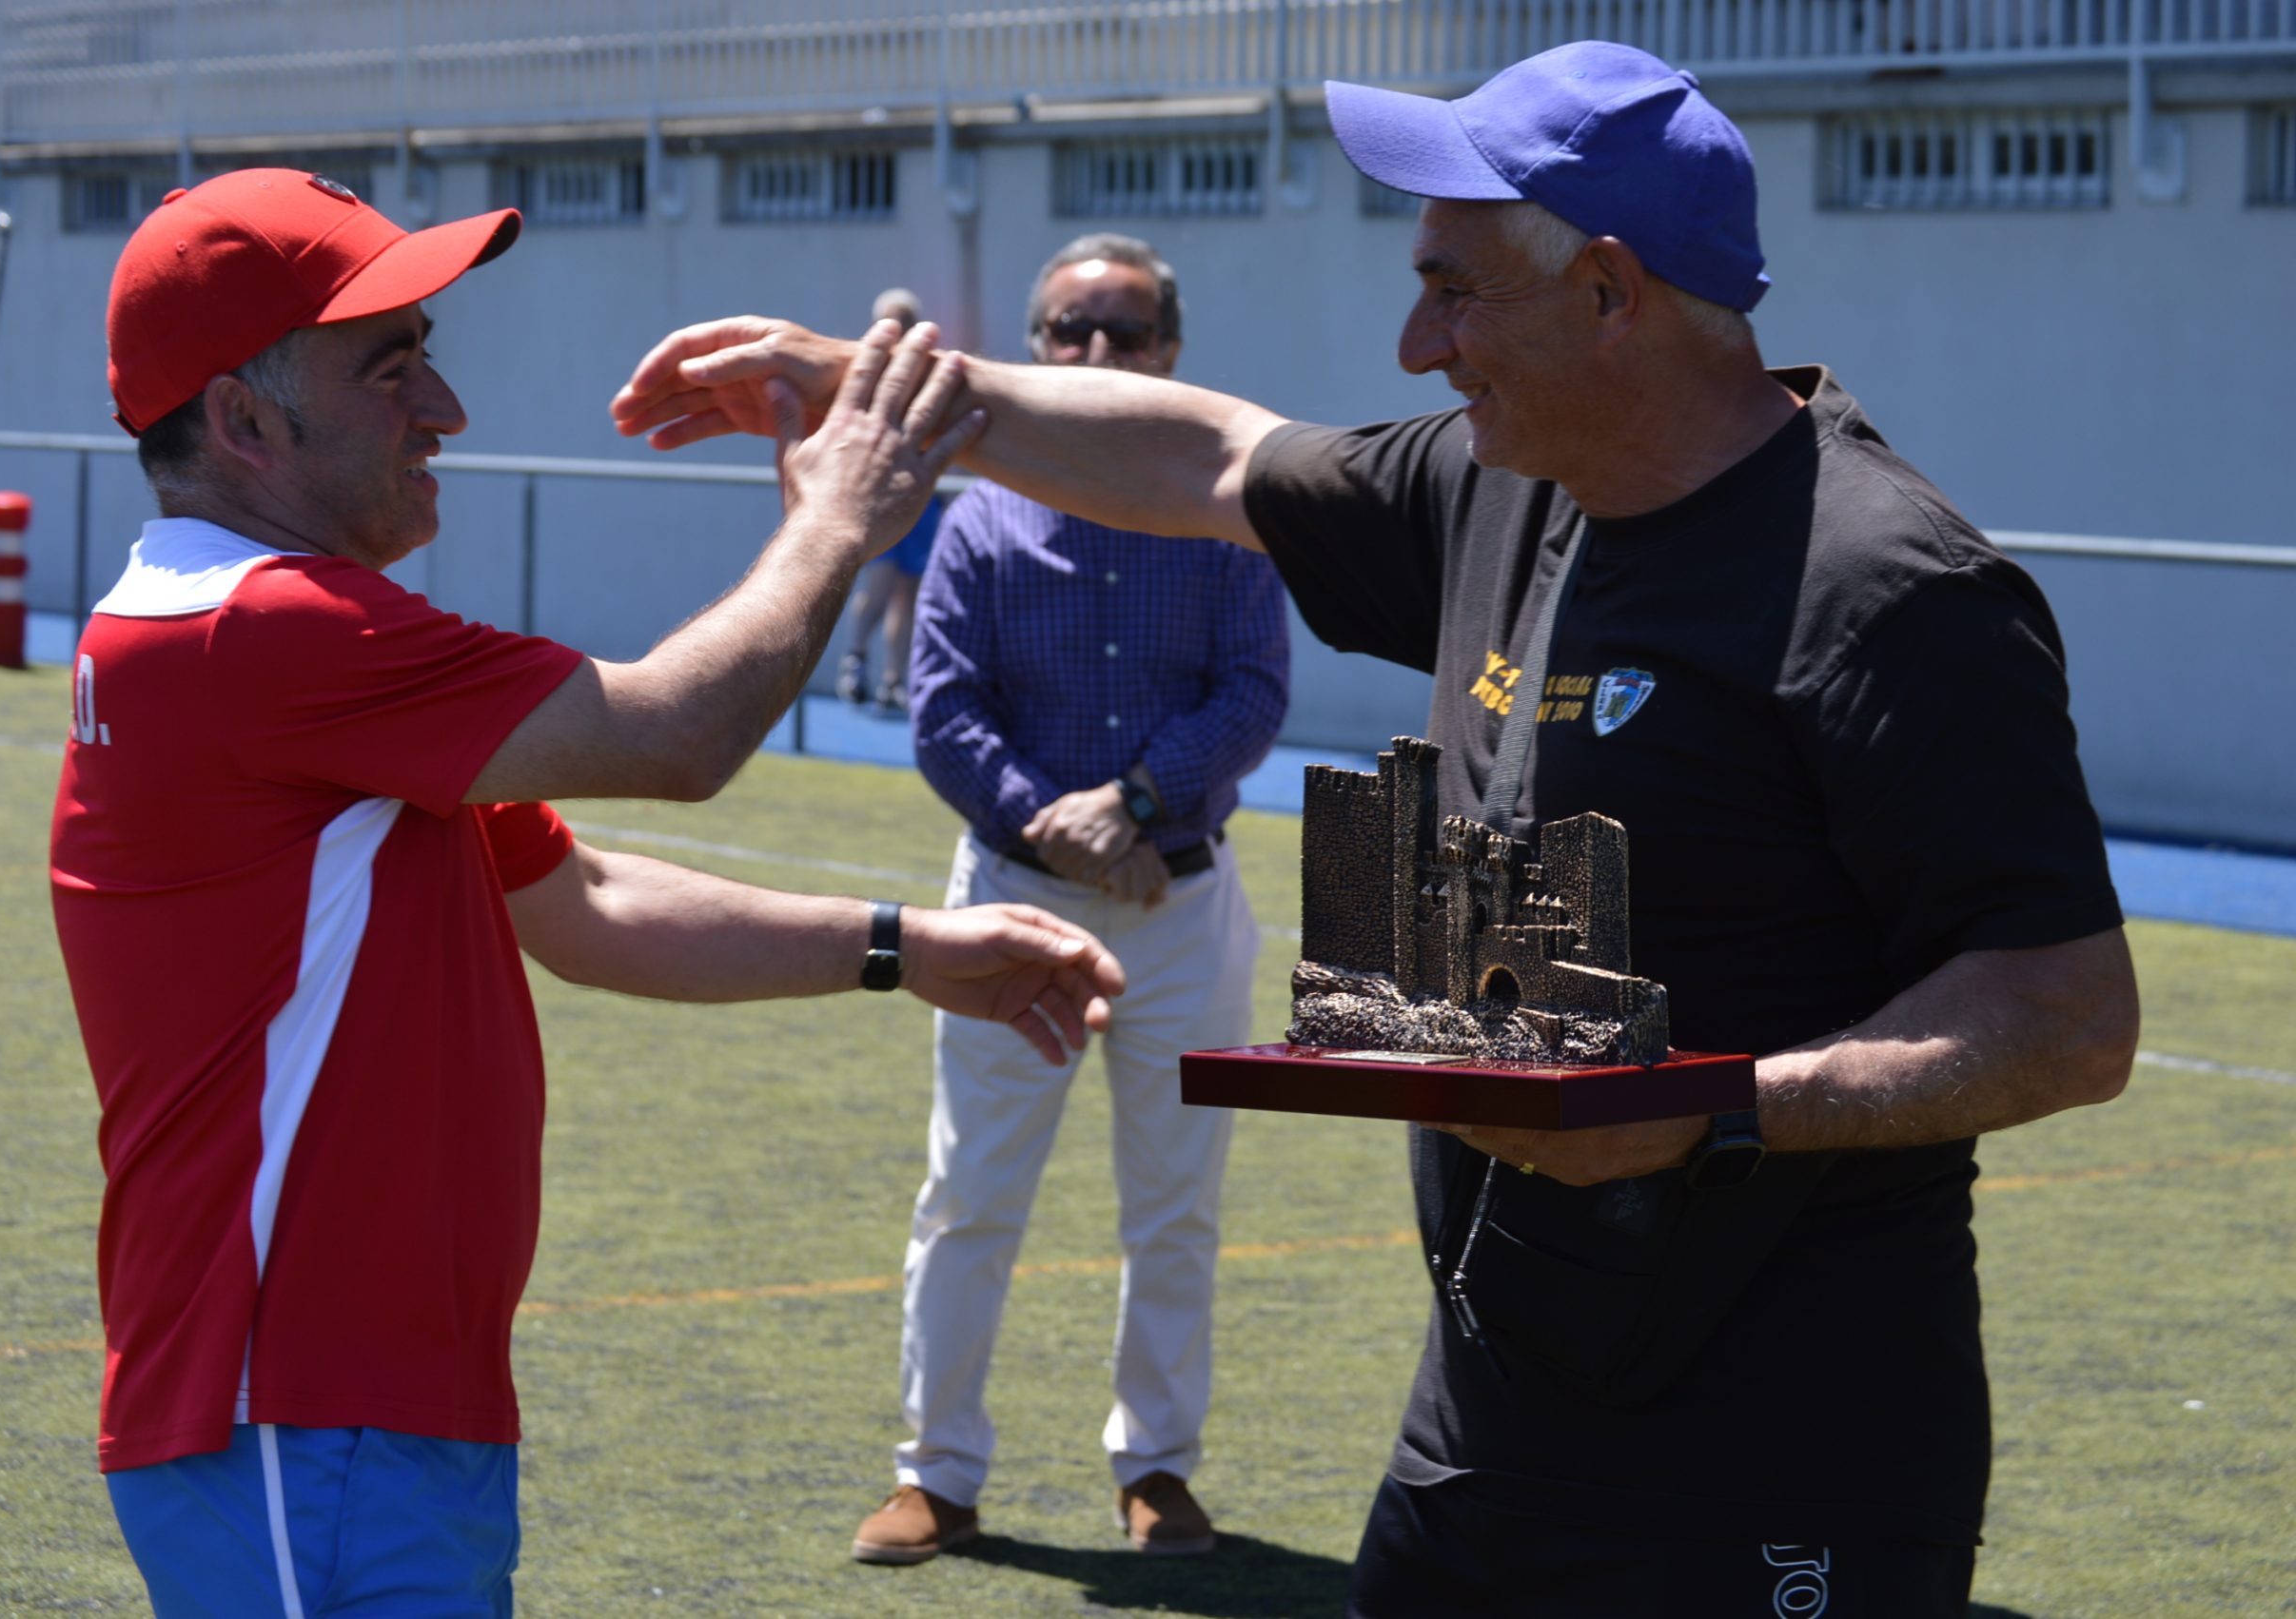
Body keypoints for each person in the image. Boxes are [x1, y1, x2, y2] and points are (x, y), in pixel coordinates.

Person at [613, 42, 2141, 1616]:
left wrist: (1718, 1111)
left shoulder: (1886, 591)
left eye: (1455, 290)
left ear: (1611, 293)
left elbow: (2068, 1017)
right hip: (1491, 1418)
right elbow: (1208, 453)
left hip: (1778, 1458)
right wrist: (903, 398)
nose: (1419, 347)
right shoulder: (1506, 485)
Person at [50, 168, 1126, 1615]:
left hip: (341, 1405)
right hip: (299, 1404)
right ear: (242, 420)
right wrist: (836, 519)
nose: (444, 411)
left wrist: (906, 946)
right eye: (393, 367)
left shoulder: (252, 643)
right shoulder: (264, 630)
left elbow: (583, 897)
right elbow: (675, 734)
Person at [849, 233, 1289, 1566]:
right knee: (971, 1193)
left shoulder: (1227, 513)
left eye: (1125, 332)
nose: (1094, 356)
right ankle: (939, 1473)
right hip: (1010, 909)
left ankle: (1156, 1468)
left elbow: (1255, 692)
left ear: (1169, 353)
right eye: (1067, 331)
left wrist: (1138, 805)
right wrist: (1069, 825)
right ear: (1034, 350)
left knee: (1175, 1205)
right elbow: (944, 713)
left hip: (1183, 912)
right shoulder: (980, 514)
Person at [835, 288, 944, 711]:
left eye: (899, 323)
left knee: (909, 595)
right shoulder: (863, 370)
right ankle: (856, 662)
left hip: (921, 497)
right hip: (878, 495)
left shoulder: (928, 373)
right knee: (879, 585)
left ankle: (893, 681)